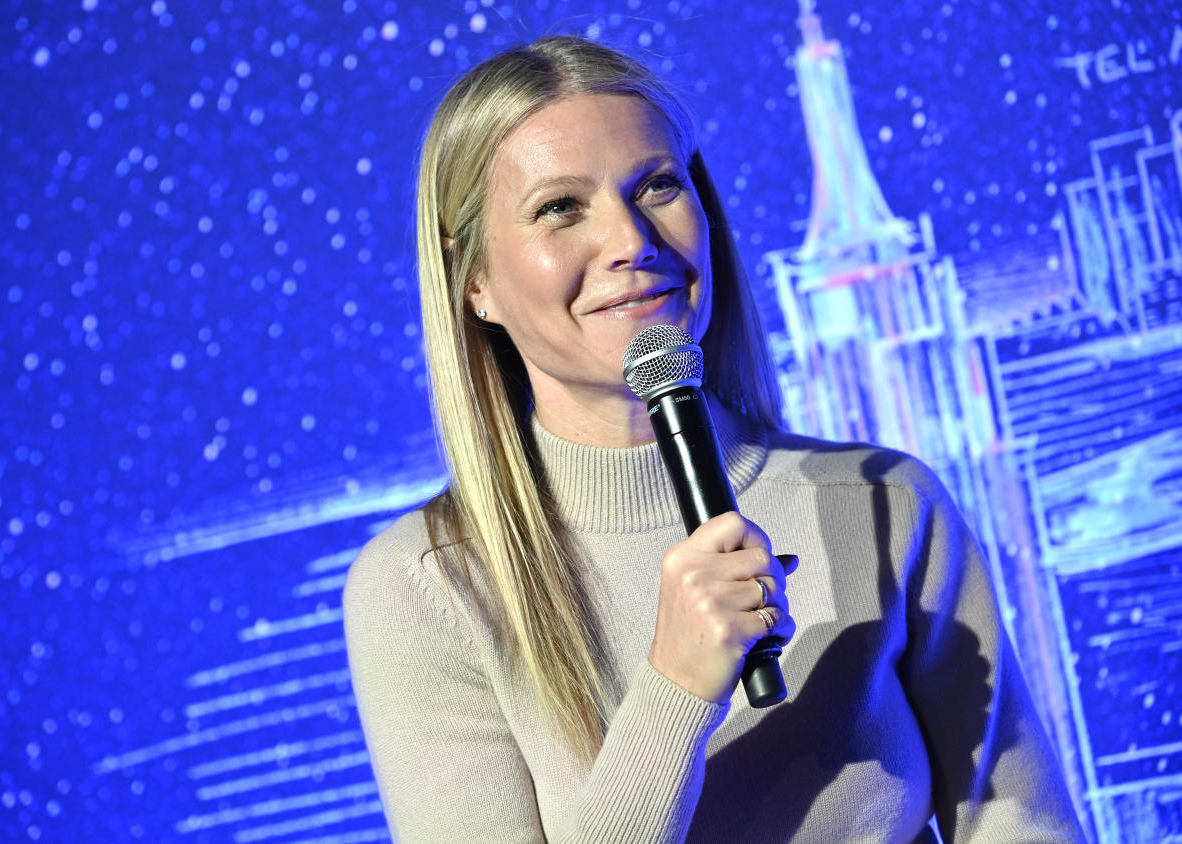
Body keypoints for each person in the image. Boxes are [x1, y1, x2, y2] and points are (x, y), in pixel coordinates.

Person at [342, 35, 1084, 842]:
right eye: (560, 207)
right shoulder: (425, 589)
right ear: (474, 277)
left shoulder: (886, 504)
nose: (630, 240)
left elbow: (1022, 819)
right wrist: (677, 687)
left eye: (657, 185)